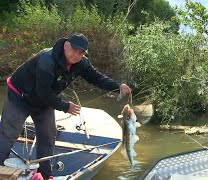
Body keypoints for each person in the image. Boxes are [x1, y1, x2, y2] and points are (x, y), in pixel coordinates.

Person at [0, 33, 131, 179]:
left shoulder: (81, 63)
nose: (76, 55)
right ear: (66, 46)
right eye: (74, 50)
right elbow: (43, 92)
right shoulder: (47, 59)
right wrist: (65, 106)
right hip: (20, 95)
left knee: (48, 135)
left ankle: (45, 175)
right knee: (9, 133)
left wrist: (118, 86)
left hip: (44, 100)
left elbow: (96, 77)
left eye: (81, 53)